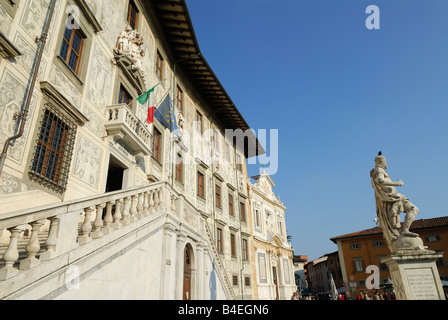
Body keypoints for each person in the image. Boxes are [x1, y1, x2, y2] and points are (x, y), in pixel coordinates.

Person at [370, 152, 420, 245]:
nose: (386, 163)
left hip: (394, 197)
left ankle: (405, 230)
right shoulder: (379, 170)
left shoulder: (380, 170)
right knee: (413, 209)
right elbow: (380, 180)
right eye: (385, 161)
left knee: (413, 209)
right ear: (382, 161)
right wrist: (396, 183)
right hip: (390, 199)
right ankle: (405, 230)